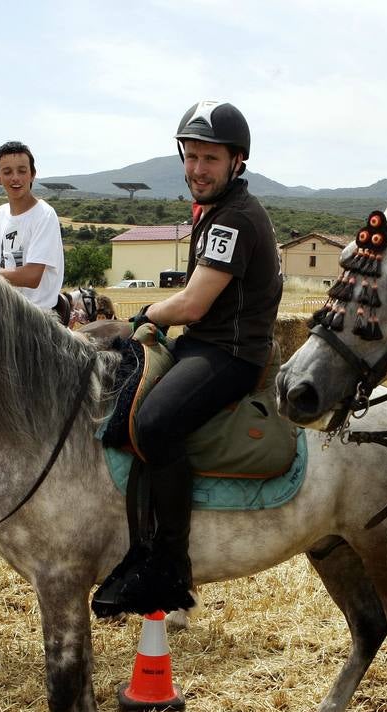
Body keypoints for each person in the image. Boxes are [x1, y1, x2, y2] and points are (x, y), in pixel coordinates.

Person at [92, 100, 283, 618]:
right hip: (205, 343)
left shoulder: (235, 219)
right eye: (191, 156)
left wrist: (145, 314)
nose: (198, 169)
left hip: (231, 353)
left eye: (210, 159)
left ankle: (171, 566)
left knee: (153, 426)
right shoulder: (216, 212)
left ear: (236, 162)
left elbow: (194, 302)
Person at [0, 141, 65, 316]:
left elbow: (32, 276)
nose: (15, 177)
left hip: (37, 315)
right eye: (7, 172)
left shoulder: (45, 215)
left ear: (32, 174)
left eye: (22, 171)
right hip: (6, 310)